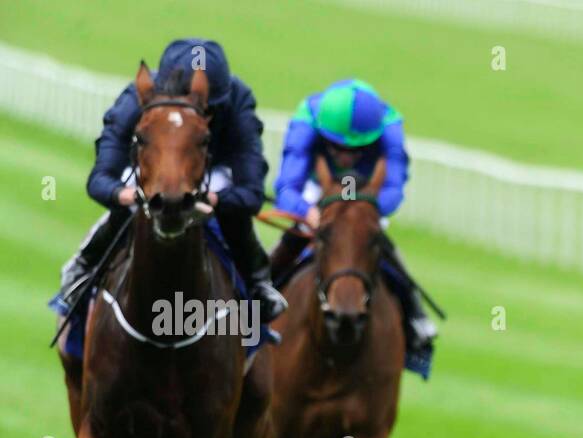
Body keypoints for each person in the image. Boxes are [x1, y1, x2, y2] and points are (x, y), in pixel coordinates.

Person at [49, 38, 286, 324]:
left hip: (213, 169)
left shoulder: (238, 101)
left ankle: (259, 283)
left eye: (206, 110)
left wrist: (214, 199)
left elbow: (252, 193)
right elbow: (100, 179)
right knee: (128, 204)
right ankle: (83, 267)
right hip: (151, 166)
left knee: (234, 215)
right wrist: (124, 195)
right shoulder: (135, 100)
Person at [270, 78, 436, 369]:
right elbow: (286, 188)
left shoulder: (390, 125)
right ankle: (251, 305)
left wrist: (360, 213)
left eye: (356, 149)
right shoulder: (307, 118)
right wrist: (308, 213)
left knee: (377, 246)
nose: (345, 156)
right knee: (285, 246)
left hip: (366, 194)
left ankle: (416, 322)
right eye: (335, 147)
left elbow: (394, 192)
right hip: (316, 191)